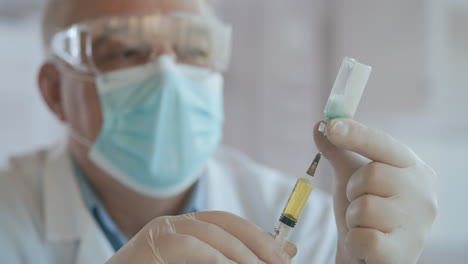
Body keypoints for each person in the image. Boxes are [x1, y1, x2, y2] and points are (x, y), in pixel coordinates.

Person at [0, 0, 438, 263]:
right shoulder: (8, 221)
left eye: (194, 49)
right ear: (54, 92)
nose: (168, 75)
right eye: (126, 51)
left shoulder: (318, 229)